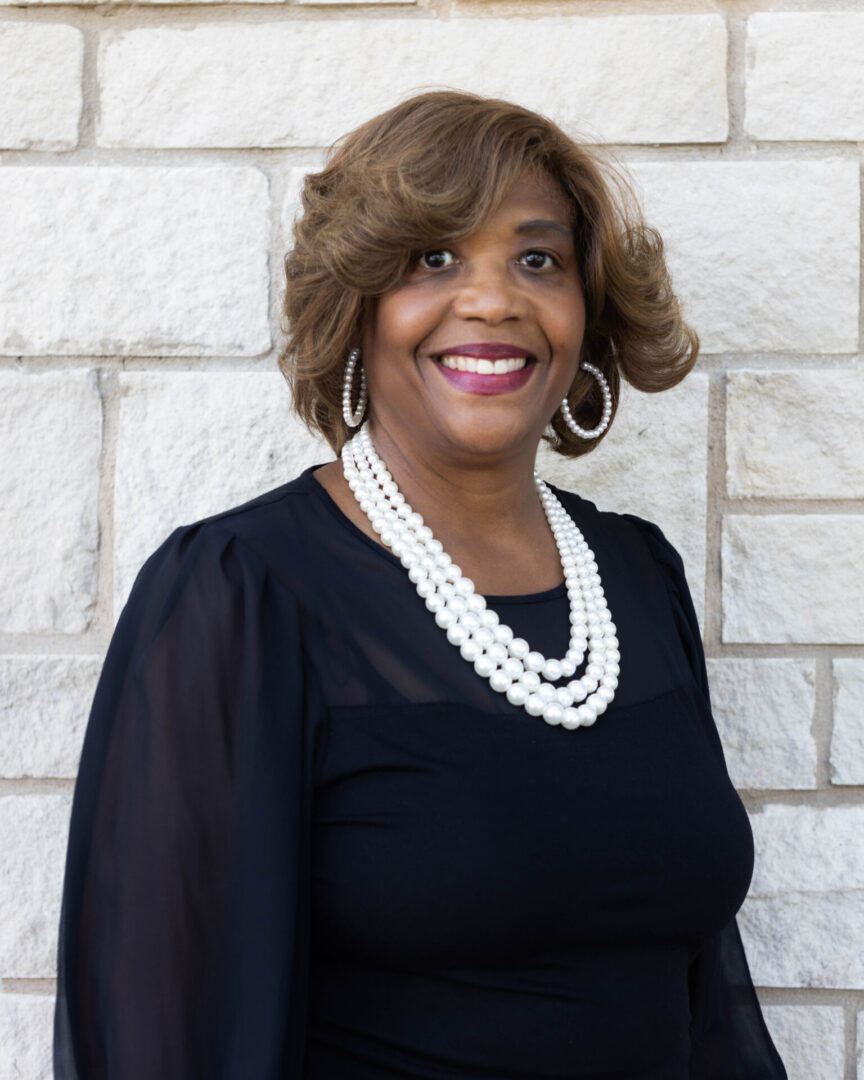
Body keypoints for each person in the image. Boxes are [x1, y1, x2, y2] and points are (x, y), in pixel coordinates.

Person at [53, 90, 788, 1079]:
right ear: (356, 302)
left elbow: (701, 1012)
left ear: (587, 307)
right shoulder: (240, 594)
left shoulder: (636, 579)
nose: (493, 300)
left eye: (539, 259)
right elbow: (158, 1037)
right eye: (433, 257)